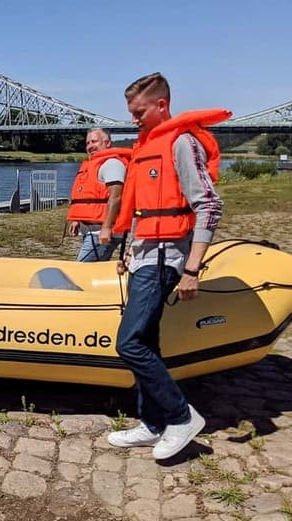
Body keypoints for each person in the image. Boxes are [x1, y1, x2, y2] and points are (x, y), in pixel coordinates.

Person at [106, 73, 228, 460]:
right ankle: (153, 423)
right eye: (130, 113)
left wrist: (192, 269)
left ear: (161, 105)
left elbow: (209, 205)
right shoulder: (147, 145)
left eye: (139, 112)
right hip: (145, 253)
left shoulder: (181, 142)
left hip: (167, 258)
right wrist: (130, 248)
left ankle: (180, 417)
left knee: (128, 342)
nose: (134, 119)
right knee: (146, 341)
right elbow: (143, 208)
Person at [66, 128, 130, 261]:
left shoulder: (112, 164)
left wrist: (106, 228)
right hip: (90, 231)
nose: (90, 146)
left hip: (101, 232)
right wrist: (77, 219)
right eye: (87, 143)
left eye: (94, 141)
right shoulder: (92, 165)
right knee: (90, 270)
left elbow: (116, 196)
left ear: (107, 143)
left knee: (81, 272)